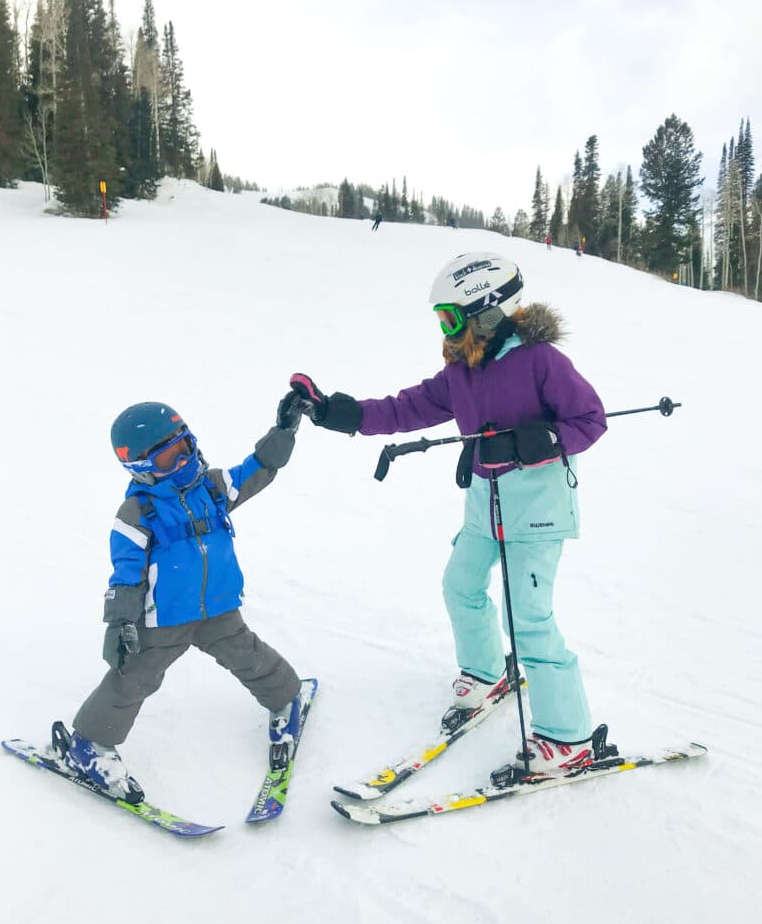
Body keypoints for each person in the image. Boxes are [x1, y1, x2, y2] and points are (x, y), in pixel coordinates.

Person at [286, 252, 609, 774]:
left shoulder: (540, 360)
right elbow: (402, 408)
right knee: (460, 585)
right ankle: (486, 674)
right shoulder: (463, 370)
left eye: (451, 317)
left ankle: (568, 737)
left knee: (528, 618)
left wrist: (544, 439)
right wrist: (331, 411)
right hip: (485, 502)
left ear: (487, 311)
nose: (445, 330)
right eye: (441, 318)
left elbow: (590, 420)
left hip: (538, 510)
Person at [63, 400, 304, 802]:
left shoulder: (210, 486)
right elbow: (125, 574)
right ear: (139, 466)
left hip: (218, 608)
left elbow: (257, 470)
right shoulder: (136, 513)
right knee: (135, 679)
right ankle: (89, 744)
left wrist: (283, 433)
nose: (184, 462)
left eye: (186, 448)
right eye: (168, 458)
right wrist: (120, 622)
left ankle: (285, 697)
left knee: (248, 656)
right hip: (165, 620)